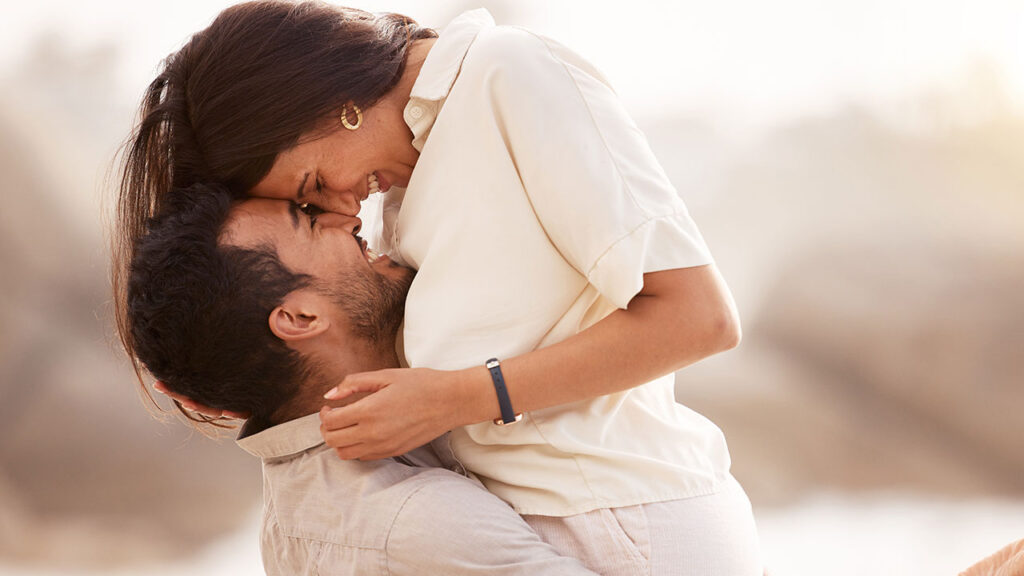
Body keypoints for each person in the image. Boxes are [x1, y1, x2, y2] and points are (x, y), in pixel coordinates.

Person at [114, 3, 762, 573]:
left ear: (324, 107)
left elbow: (699, 318)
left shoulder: (509, 76)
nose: (342, 212)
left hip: (623, 519)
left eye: (313, 190)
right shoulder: (411, 164)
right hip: (546, 520)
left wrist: (459, 398)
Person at [126, 182, 597, 575]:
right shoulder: (412, 522)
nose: (348, 218)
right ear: (301, 317)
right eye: (310, 221)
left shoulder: (314, 503)